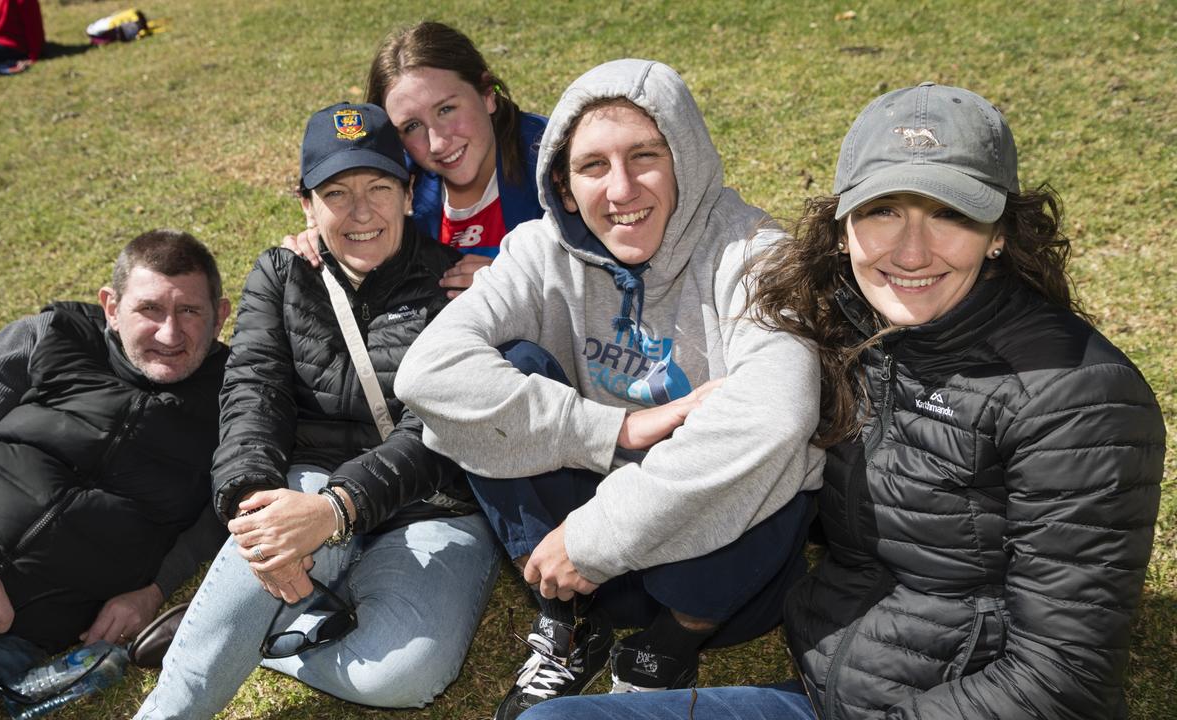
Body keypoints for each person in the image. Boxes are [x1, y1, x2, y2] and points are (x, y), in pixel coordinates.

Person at [516, 83, 1166, 720]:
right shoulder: (844, 329)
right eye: (883, 211)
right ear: (844, 225)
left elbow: (1063, 681)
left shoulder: (1082, 400)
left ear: (1000, 231)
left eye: (950, 213)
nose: (911, 251)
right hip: (825, 690)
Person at [395, 59, 824, 720]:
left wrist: (599, 534)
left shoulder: (756, 254)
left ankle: (673, 639)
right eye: (593, 167)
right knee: (505, 367)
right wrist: (613, 431)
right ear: (565, 188)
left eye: (645, 156)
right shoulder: (537, 250)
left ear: (686, 159)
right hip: (575, 560)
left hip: (718, 570)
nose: (621, 190)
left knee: (783, 436)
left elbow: (779, 411)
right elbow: (426, 375)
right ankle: (568, 622)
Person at [133, 102, 497, 719]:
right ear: (306, 205)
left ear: (409, 194)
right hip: (307, 485)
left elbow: (439, 431)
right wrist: (256, 506)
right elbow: (251, 393)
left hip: (432, 508)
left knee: (404, 676)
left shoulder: (458, 285)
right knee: (269, 534)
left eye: (379, 188)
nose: (360, 213)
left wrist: (337, 510)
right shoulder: (280, 275)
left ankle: (260, 635)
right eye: (336, 193)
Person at [0, 229, 232, 720]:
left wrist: (155, 588)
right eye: (149, 310)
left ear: (220, 316)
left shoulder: (237, 398)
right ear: (111, 307)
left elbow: (227, 510)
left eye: (190, 312)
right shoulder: (51, 335)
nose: (169, 334)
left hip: (1, 640)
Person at [285, 21, 546, 298]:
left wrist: (515, 285)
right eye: (411, 126)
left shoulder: (555, 164)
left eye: (446, 109)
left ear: (487, 94)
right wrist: (318, 242)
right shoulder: (400, 181)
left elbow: (592, 279)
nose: (438, 143)